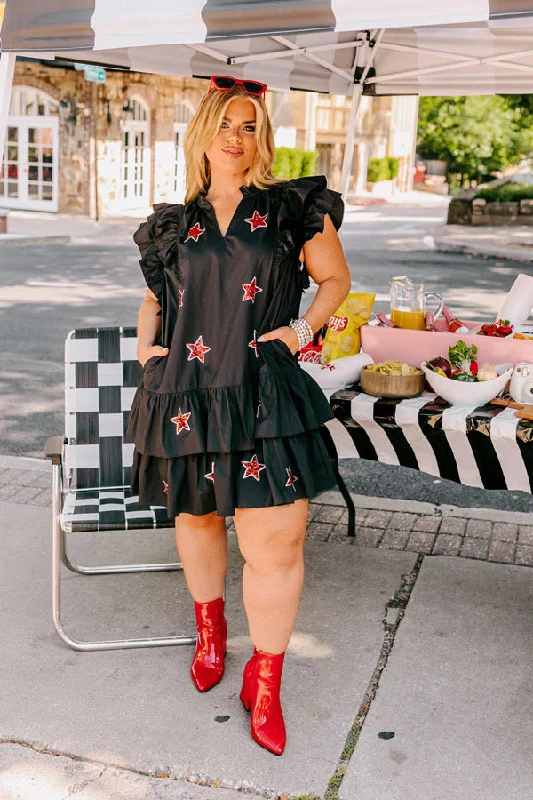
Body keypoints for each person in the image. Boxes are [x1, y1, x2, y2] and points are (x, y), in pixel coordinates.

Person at [126, 75, 351, 756]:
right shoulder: (172, 223)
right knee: (195, 517)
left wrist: (303, 330)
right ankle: (211, 631)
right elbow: (156, 299)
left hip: (262, 392)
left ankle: (267, 675)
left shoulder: (292, 208)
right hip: (186, 391)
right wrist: (145, 353)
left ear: (263, 137)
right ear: (202, 133)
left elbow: (335, 279)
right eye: (225, 123)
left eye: (249, 125)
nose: (236, 137)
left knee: (276, 541)